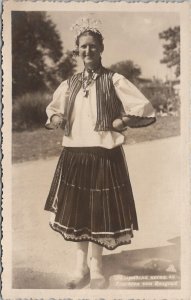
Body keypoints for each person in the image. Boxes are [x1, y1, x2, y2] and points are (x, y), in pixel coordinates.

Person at [44, 17, 156, 289]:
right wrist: (57, 118)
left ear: (101, 49)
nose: (88, 51)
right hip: (75, 155)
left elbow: (142, 107)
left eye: (93, 46)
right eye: (83, 47)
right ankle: (79, 266)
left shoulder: (114, 79)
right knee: (78, 212)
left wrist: (122, 121)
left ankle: (96, 266)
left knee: (98, 212)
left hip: (104, 154)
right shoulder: (69, 83)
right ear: (77, 51)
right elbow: (53, 109)